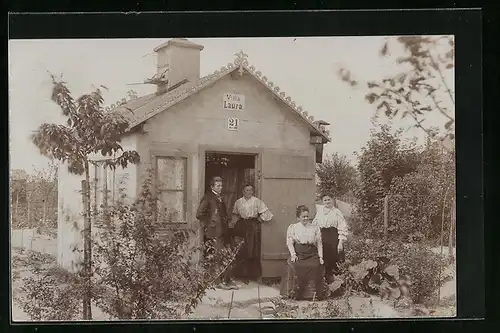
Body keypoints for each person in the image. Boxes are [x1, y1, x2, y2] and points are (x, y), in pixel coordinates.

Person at [196, 176, 238, 290]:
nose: (220, 188)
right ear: (212, 186)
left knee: (226, 254)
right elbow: (199, 214)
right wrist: (210, 224)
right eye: (218, 186)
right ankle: (217, 282)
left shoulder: (220, 197)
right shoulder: (208, 198)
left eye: (221, 186)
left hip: (223, 231)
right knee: (217, 256)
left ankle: (226, 280)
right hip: (214, 232)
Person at [280, 205, 324, 300]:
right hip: (299, 253)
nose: (306, 218)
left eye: (307, 216)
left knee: (316, 266)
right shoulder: (293, 227)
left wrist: (320, 257)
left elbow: (319, 243)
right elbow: (290, 243)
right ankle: (295, 293)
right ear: (298, 218)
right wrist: (293, 254)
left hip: (312, 254)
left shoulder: (314, 227)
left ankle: (312, 294)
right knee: (295, 265)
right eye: (303, 216)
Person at [231, 184, 273, 283]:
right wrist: (233, 225)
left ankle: (254, 275)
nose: (249, 192)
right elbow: (235, 214)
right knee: (242, 249)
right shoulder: (238, 202)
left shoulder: (256, 201)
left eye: (251, 190)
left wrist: (258, 220)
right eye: (247, 190)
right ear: (243, 191)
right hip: (241, 226)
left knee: (252, 250)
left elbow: (267, 213)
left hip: (252, 227)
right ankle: (242, 275)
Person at [312, 194, 349, 284]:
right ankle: (323, 281)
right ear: (322, 201)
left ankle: (335, 281)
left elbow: (342, 227)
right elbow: (315, 225)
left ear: (333, 200)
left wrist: (340, 242)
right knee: (322, 256)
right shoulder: (319, 212)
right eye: (325, 200)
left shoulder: (337, 212)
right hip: (322, 236)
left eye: (329, 199)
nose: (327, 202)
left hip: (333, 237)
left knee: (334, 257)